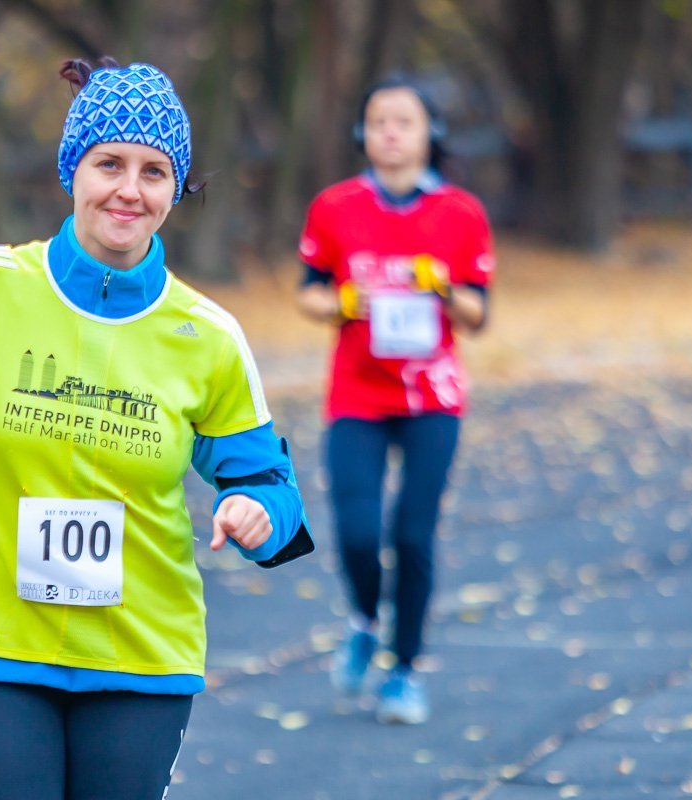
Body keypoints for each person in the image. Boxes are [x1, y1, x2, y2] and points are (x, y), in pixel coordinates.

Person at [0, 57, 312, 800]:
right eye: (109, 163)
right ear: (72, 169)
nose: (129, 189)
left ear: (177, 189)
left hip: (143, 655)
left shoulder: (209, 334)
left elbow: (270, 483)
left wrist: (260, 510)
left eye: (154, 171)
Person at [295, 72, 493, 725]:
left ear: (428, 133)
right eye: (378, 121)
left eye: (403, 121)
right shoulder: (335, 207)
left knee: (412, 535)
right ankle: (362, 619)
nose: (389, 132)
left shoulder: (461, 213)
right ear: (362, 133)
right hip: (356, 392)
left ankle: (404, 672)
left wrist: (441, 290)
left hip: (432, 397)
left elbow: (477, 313)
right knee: (355, 532)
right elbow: (309, 291)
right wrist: (347, 301)